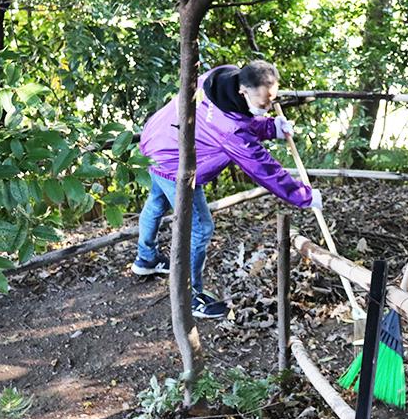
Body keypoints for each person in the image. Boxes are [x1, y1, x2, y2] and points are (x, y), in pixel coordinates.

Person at [132, 60, 321, 319]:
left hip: (157, 140)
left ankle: (146, 258)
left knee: (156, 202)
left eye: (272, 100)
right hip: (173, 159)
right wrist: (304, 196)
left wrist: (270, 127)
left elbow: (237, 116)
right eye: (264, 103)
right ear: (243, 90)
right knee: (200, 228)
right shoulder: (230, 130)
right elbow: (263, 167)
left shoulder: (221, 77)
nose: (268, 107)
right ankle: (191, 297)